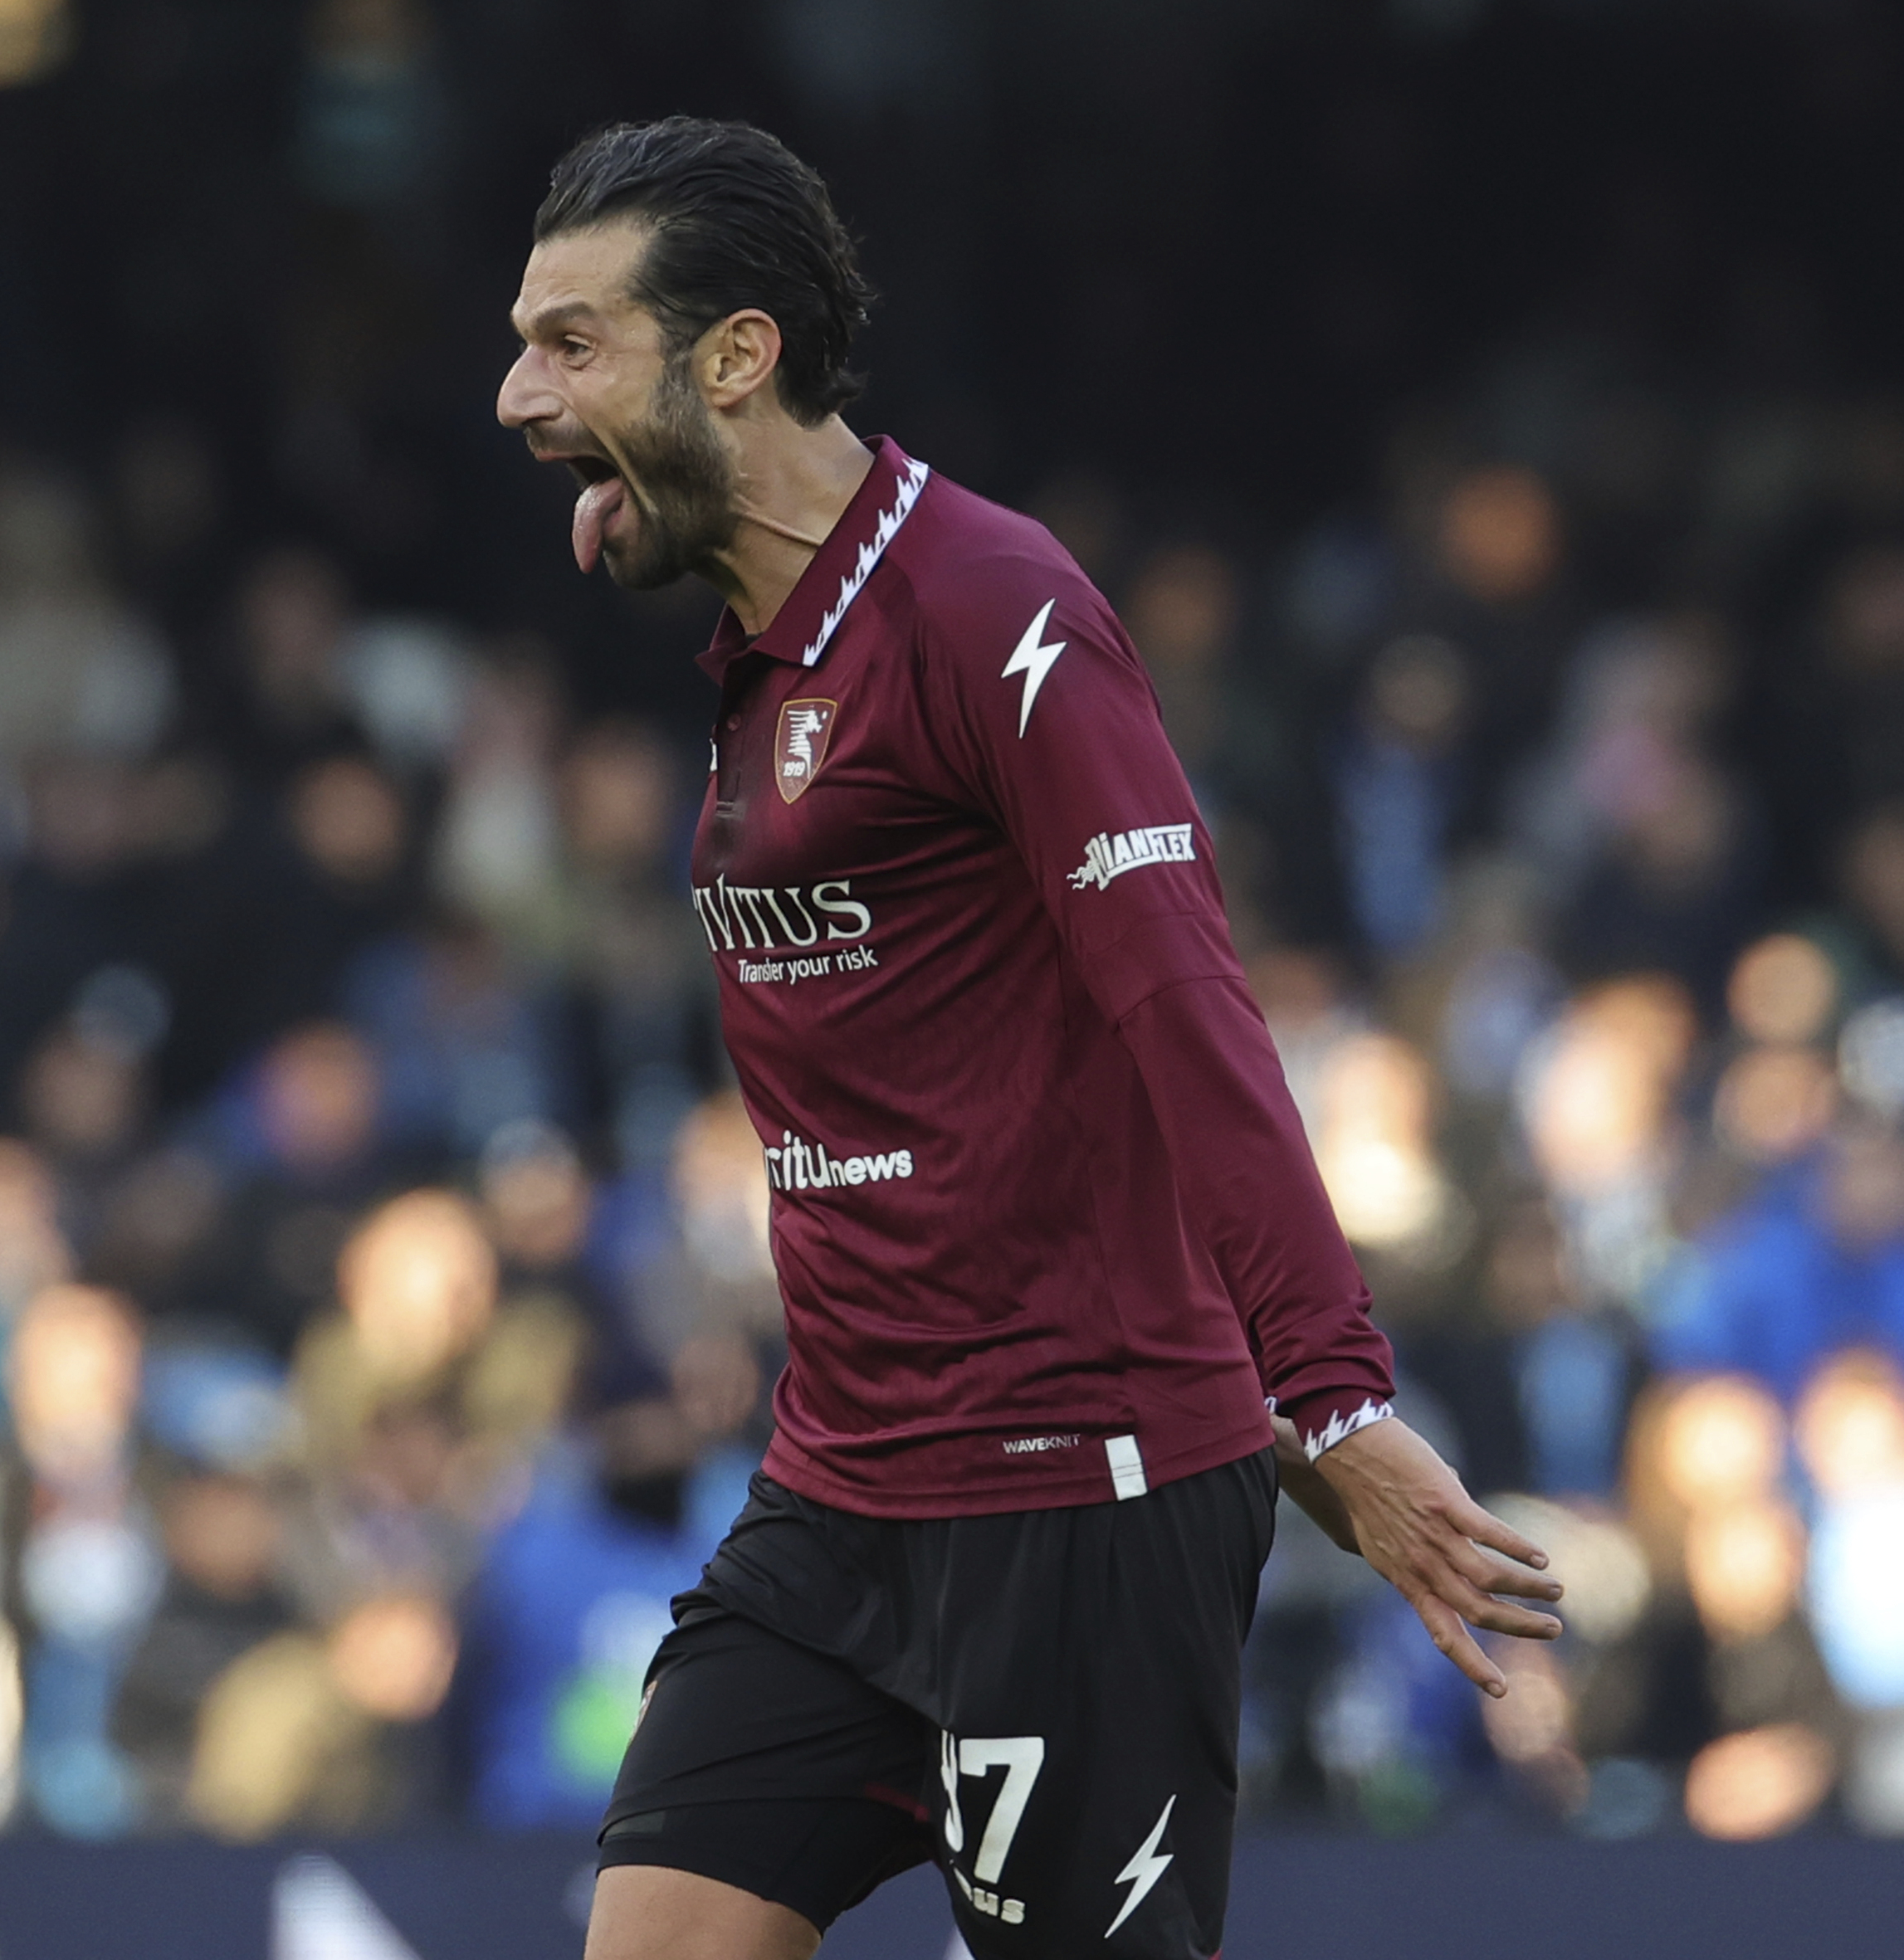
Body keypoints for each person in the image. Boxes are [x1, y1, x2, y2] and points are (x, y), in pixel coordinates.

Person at [494, 119, 1566, 1960]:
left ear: (735, 354)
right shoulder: (759, 637)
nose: (519, 398)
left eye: (571, 343)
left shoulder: (993, 612)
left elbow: (1184, 1006)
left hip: (1080, 1493)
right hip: (839, 1488)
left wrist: (1327, 1392)